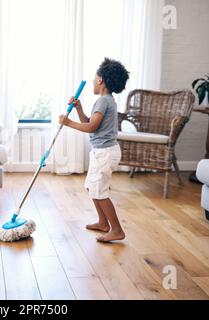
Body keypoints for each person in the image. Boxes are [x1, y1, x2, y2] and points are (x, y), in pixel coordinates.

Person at [59, 58, 129, 243]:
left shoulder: (103, 102)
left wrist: (68, 123)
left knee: (100, 191)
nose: (92, 81)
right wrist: (79, 110)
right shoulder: (107, 101)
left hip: (104, 153)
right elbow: (91, 124)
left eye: (94, 77)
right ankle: (102, 222)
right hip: (103, 152)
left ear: (100, 80)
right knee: (92, 186)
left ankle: (117, 230)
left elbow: (90, 128)